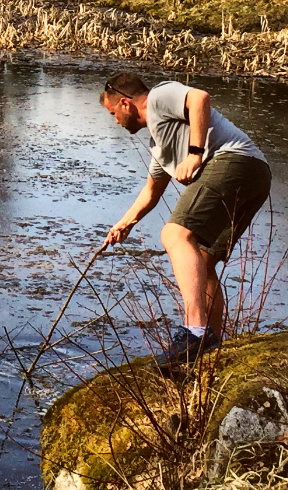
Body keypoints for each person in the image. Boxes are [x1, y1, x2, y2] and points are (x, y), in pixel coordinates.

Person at [98, 72, 272, 372]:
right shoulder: (160, 142)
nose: (115, 121)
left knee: (175, 235)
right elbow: (152, 191)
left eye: (113, 113)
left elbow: (199, 98)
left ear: (125, 103)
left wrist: (194, 154)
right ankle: (211, 346)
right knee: (202, 261)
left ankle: (195, 333)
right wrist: (124, 224)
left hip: (234, 161)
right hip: (256, 174)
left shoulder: (159, 97)